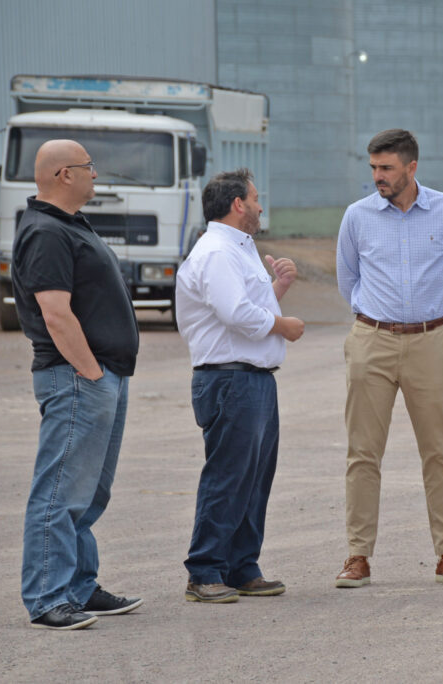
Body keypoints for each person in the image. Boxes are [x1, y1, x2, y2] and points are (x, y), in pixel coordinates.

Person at [334, 128, 443, 587]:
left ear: (411, 168)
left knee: (439, 451)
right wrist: (377, 322)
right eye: (374, 168)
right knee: (362, 453)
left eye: (387, 168)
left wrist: (429, 319)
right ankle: (357, 556)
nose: (378, 176)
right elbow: (348, 280)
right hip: (371, 341)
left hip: (430, 343)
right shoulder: (357, 216)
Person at [13, 139, 142, 630]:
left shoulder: (68, 224)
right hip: (77, 378)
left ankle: (79, 587)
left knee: (88, 494)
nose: (96, 173)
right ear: (64, 174)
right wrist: (90, 372)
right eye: (89, 166)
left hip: (100, 376)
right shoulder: (46, 231)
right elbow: (55, 313)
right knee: (60, 493)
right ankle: (48, 598)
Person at [176, 168, 304, 604]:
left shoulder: (238, 249)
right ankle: (205, 571)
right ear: (237, 204)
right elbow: (236, 314)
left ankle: (241, 566)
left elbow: (245, 308)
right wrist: (284, 326)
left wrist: (278, 288)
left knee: (254, 479)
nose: (260, 206)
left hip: (252, 378)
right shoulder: (217, 252)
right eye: (255, 198)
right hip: (229, 379)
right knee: (229, 477)